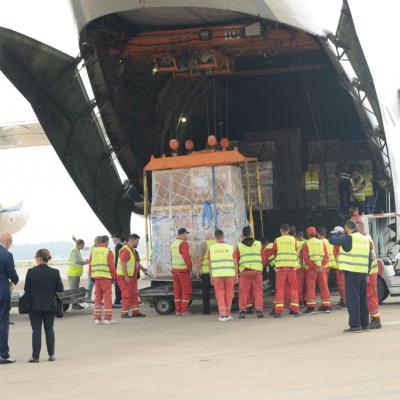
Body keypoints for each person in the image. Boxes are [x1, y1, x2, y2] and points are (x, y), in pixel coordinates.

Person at [329, 220, 370, 333]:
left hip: (352, 272)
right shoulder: (364, 239)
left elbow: (332, 240)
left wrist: (337, 232)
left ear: (347, 228)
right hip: (363, 272)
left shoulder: (349, 238)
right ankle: (365, 324)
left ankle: (356, 325)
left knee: (353, 299)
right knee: (363, 299)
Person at [24, 249, 64, 363]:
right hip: (50, 305)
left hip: (35, 305)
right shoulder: (55, 272)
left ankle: (35, 357)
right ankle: (51, 355)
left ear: (40, 258)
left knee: (36, 330)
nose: (35, 260)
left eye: (36, 258)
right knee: (49, 329)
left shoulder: (31, 272)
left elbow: (27, 289)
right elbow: (59, 289)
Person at [356, 221, 382, 329]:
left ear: (360, 228)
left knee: (371, 295)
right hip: (370, 270)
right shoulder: (367, 237)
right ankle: (373, 318)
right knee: (370, 295)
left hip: (369, 271)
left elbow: (368, 257)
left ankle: (376, 319)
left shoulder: (364, 239)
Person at [236, 226, 266, 319]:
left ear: (242, 234)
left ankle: (242, 312)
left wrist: (238, 272)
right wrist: (260, 268)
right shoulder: (258, 244)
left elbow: (236, 260)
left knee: (243, 292)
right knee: (258, 291)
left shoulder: (239, 246)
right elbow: (263, 259)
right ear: (251, 233)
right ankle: (259, 311)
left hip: (245, 272)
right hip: (257, 272)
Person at [208, 230, 238, 322]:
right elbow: (235, 263)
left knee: (220, 294)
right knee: (229, 294)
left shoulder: (211, 248)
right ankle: (228, 314)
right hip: (229, 274)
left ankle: (222, 315)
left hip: (217, 275)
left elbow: (209, 263)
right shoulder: (230, 247)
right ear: (223, 236)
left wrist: (211, 276)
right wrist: (236, 275)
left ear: (215, 237)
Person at [272, 223, 300, 318]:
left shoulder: (277, 240)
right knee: (293, 288)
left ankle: (279, 311)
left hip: (281, 268)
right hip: (292, 267)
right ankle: (295, 310)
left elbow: (275, 252)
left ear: (281, 230)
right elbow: (295, 250)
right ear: (288, 230)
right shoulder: (294, 240)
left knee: (280, 288)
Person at [116, 234, 147, 318]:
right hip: (124, 277)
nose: (138, 244)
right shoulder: (125, 250)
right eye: (137, 241)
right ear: (132, 240)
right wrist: (126, 276)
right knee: (126, 294)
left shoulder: (132, 251)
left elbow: (136, 263)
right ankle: (124, 313)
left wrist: (143, 269)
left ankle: (135, 312)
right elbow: (123, 263)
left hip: (132, 277)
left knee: (134, 294)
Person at [89, 235, 117, 324]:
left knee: (98, 298)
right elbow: (111, 266)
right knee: (107, 298)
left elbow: (90, 266)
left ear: (100, 241)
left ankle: (97, 318)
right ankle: (107, 318)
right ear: (107, 242)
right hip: (106, 278)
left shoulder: (93, 251)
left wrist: (92, 277)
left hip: (96, 278)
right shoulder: (108, 251)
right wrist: (114, 277)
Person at [0, 232, 19, 364]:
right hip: (2, 294)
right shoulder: (7, 255)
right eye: (10, 243)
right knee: (3, 324)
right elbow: (14, 277)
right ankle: (3, 355)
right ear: (7, 240)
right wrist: (13, 279)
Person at [302, 227, 331, 313]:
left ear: (307, 234)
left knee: (311, 287)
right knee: (324, 286)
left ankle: (311, 307)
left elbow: (306, 258)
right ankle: (327, 306)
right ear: (315, 233)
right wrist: (321, 266)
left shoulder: (306, 243)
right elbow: (326, 256)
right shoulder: (322, 242)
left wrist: (314, 267)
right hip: (321, 268)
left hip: (311, 269)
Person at [171, 228, 192, 316]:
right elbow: (186, 257)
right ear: (183, 234)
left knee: (177, 290)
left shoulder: (174, 244)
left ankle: (178, 310)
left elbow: (171, 257)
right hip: (183, 270)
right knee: (186, 290)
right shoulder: (183, 244)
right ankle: (184, 310)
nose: (187, 236)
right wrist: (190, 268)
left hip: (175, 270)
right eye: (186, 234)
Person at [197, 233, 216, 315]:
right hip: (216, 271)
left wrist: (198, 270)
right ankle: (222, 309)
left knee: (206, 292)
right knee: (218, 291)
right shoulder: (216, 244)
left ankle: (206, 310)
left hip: (206, 272)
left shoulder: (203, 244)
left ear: (206, 237)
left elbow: (200, 258)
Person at [67, 238, 87, 310]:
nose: (83, 246)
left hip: (75, 273)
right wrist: (85, 262)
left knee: (75, 290)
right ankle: (74, 305)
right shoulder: (75, 251)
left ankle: (75, 304)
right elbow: (77, 261)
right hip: (73, 273)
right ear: (80, 244)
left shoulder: (77, 251)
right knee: (73, 290)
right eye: (83, 245)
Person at [330, 226, 347, 308]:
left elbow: (334, 254)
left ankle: (344, 301)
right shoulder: (346, 240)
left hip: (340, 267)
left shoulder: (337, 243)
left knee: (342, 285)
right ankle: (343, 300)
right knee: (344, 284)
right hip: (345, 266)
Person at [85, 236, 101, 302]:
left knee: (93, 286)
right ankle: (88, 300)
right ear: (98, 241)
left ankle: (94, 299)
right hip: (92, 271)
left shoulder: (95, 248)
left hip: (94, 270)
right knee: (90, 286)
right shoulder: (95, 249)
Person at [111, 233, 124, 306]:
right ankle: (121, 299)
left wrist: (114, 268)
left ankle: (117, 300)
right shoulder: (122, 245)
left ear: (117, 238)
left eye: (113, 238)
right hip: (122, 268)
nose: (112, 239)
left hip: (118, 268)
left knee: (117, 285)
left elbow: (116, 259)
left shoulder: (118, 245)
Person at [295, 231, 306, 307]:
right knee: (305, 286)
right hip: (307, 267)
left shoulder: (295, 243)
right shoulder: (306, 242)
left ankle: (299, 301)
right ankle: (304, 301)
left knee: (298, 285)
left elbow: (301, 256)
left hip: (298, 267)